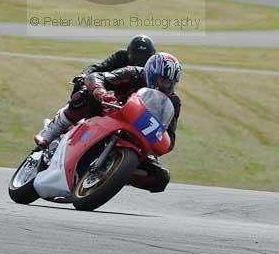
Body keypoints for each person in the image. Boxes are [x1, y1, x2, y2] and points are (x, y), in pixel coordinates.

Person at [34, 51, 182, 194]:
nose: (165, 86)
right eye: (162, 80)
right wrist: (101, 92)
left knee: (161, 178)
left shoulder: (173, 102)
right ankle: (54, 128)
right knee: (85, 94)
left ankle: (116, 174)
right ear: (150, 72)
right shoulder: (132, 73)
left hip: (136, 137)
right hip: (108, 113)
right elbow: (97, 76)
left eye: (170, 83)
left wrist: (159, 140)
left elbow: (170, 137)